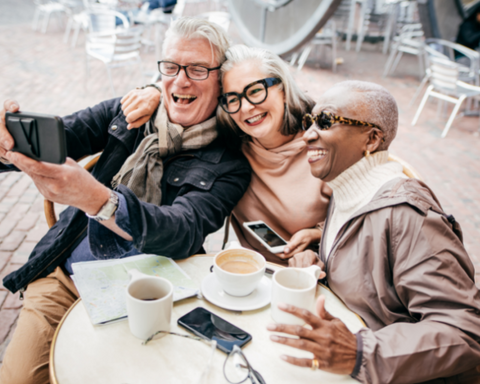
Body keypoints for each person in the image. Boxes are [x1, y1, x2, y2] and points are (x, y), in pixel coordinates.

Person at [0, 17, 251, 384]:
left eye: (198, 69)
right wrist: (8, 144)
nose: (180, 80)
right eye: (171, 66)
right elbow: (63, 136)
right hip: (68, 273)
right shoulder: (130, 112)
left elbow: (183, 229)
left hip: (154, 293)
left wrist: (99, 199)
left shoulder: (229, 161)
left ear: (220, 79)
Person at [267, 80, 480, 383]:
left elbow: (465, 331)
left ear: (371, 139)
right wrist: (318, 258)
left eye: (325, 121)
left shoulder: (409, 216)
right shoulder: (347, 187)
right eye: (310, 121)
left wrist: (358, 353)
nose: (308, 134)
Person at [124, 45, 332, 265]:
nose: (246, 107)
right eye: (233, 99)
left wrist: (318, 236)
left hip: (320, 274)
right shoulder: (232, 144)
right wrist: (154, 90)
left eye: (255, 91)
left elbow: (357, 223)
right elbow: (190, 90)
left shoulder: (325, 142)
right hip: (255, 276)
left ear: (282, 88)